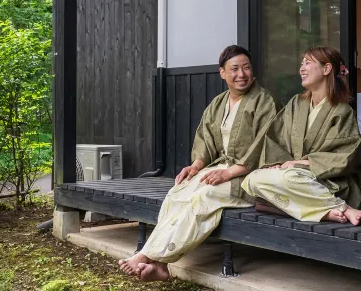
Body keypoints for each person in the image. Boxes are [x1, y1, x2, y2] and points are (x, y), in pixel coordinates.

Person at [118, 45, 277, 282]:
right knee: (178, 191)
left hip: (249, 178)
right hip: (221, 170)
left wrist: (229, 173)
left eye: (246, 68)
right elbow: (206, 141)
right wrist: (196, 166)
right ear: (222, 73)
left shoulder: (264, 102)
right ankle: (160, 264)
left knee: (203, 197)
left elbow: (265, 147)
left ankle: (148, 256)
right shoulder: (218, 103)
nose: (241, 74)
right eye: (234, 69)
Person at [241, 46, 361, 226]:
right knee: (252, 180)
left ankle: (341, 206)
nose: (301, 69)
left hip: (327, 181)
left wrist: (300, 163)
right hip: (292, 175)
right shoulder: (296, 104)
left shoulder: (342, 111)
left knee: (289, 178)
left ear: (326, 69)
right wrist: (277, 164)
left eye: (307, 63)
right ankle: (328, 211)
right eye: (301, 64)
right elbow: (276, 139)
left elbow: (343, 156)